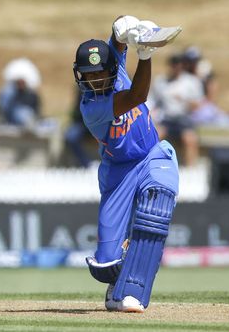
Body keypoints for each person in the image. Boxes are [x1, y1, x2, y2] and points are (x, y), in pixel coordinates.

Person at [73, 16, 179, 312]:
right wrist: (144, 55)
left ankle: (132, 290)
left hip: (152, 155)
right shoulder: (91, 108)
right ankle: (117, 280)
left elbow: (116, 39)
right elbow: (138, 95)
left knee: (155, 208)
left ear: (110, 68)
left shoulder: (116, 65)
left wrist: (126, 28)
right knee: (104, 264)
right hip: (118, 172)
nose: (95, 81)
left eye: (99, 74)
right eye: (88, 75)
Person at [149, 53, 204, 166]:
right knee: (155, 136)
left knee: (189, 139)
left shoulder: (191, 82)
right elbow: (153, 101)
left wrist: (184, 100)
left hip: (184, 118)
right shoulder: (161, 81)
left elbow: (198, 104)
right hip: (167, 118)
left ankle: (191, 168)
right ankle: (154, 165)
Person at [0, 58, 41, 128]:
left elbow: (36, 109)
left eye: (22, 81)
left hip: (26, 117)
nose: (20, 83)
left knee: (24, 114)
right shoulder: (8, 92)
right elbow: (2, 107)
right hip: (10, 116)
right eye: (19, 81)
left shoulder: (31, 94)